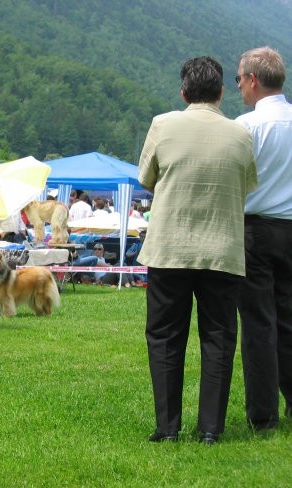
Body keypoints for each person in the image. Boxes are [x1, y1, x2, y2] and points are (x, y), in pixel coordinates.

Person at [138, 56, 258, 445]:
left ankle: (167, 427)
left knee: (165, 336)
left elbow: (146, 179)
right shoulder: (240, 134)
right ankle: (210, 428)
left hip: (170, 247)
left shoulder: (162, 125)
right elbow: (248, 185)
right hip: (223, 250)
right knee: (219, 338)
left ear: (183, 91)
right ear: (222, 91)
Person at [235, 46, 292, 431]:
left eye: (239, 79)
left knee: (258, 322)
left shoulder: (244, 127)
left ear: (253, 79)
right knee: (290, 319)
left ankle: (263, 413)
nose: (238, 86)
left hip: (255, 229)